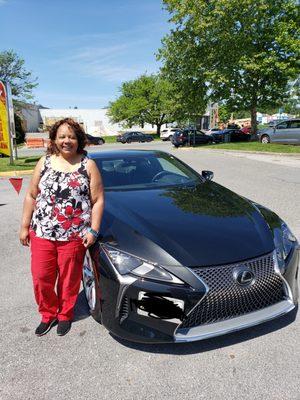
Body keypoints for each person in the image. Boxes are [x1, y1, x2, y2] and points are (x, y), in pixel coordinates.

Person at [19, 118, 104, 336]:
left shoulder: (88, 165)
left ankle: (65, 314)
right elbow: (30, 195)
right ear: (55, 139)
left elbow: (98, 201)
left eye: (72, 137)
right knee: (41, 278)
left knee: (69, 279)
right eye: (62, 136)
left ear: (79, 140)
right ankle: (48, 314)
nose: (67, 141)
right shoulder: (44, 162)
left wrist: (93, 230)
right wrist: (24, 226)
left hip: (74, 235)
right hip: (42, 233)